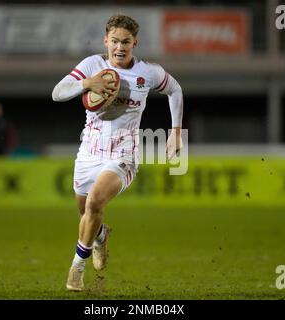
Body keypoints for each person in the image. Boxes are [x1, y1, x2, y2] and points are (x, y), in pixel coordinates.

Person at [52, 14, 184, 291]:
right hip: (89, 152)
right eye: (114, 41)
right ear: (106, 41)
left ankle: (76, 268)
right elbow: (58, 92)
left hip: (123, 155)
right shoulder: (92, 65)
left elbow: (175, 90)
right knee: (85, 213)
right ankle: (100, 236)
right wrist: (87, 84)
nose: (120, 47)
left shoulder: (147, 73)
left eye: (126, 41)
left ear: (134, 43)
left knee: (95, 203)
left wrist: (175, 132)